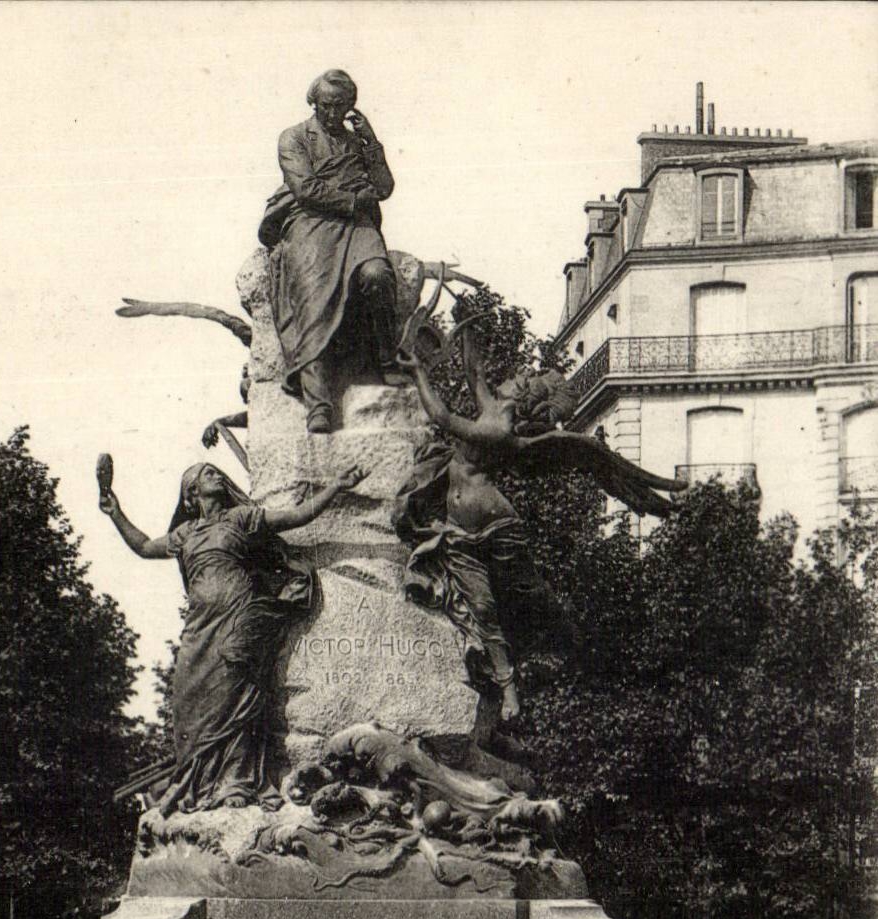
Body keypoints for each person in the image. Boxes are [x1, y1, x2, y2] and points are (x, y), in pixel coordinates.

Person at [394, 325, 685, 725]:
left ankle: (561, 642)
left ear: (524, 397)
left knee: (521, 597)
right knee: (482, 606)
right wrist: (468, 325)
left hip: (499, 530)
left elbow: (442, 416)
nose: (516, 374)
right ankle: (509, 683)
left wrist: (417, 372)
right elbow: (474, 372)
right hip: (459, 531)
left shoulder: (499, 428)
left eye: (523, 378)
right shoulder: (492, 407)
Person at [100, 460, 365, 815]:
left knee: (236, 697)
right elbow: (146, 546)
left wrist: (336, 486)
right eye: (207, 473)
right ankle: (201, 784)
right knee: (188, 703)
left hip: (237, 619)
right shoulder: (186, 533)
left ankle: (236, 782)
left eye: (216, 471)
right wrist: (115, 513)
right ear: (191, 492)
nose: (217, 475)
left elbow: (297, 516)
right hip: (199, 628)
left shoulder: (241, 518)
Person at [259, 69, 401, 434]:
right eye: (326, 105)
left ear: (351, 105)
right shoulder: (293, 138)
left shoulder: (357, 142)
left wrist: (371, 142)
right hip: (310, 220)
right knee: (312, 295)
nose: (333, 113)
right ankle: (319, 403)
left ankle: (388, 360)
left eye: (341, 106)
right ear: (314, 102)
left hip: (357, 226)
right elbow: (306, 190)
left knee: (377, 275)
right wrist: (354, 200)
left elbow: (384, 187)